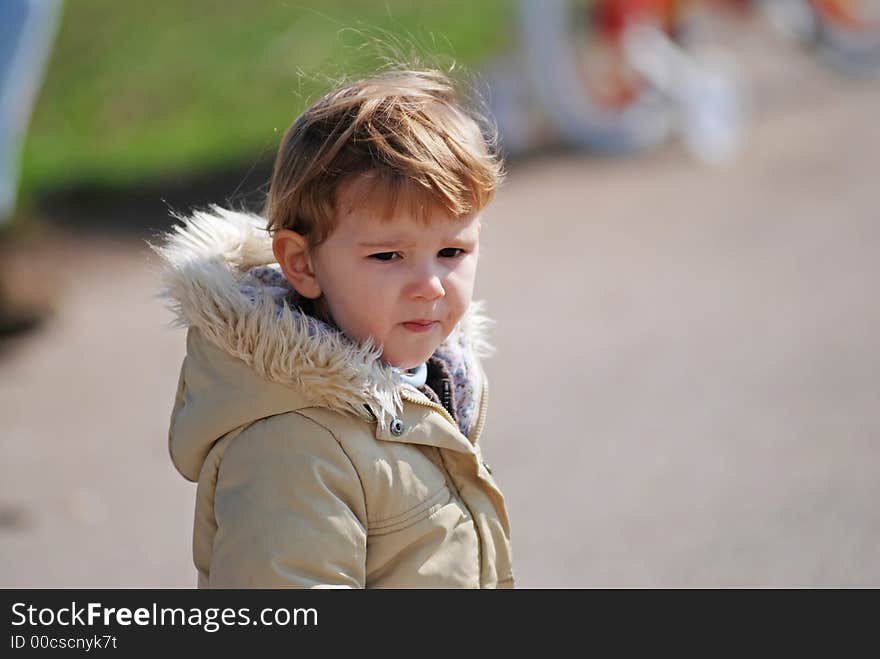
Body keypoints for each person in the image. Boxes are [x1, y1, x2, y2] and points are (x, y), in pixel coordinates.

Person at [155, 68, 515, 588]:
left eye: (451, 251)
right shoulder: (293, 446)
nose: (431, 286)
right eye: (388, 255)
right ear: (302, 265)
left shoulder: (434, 381)